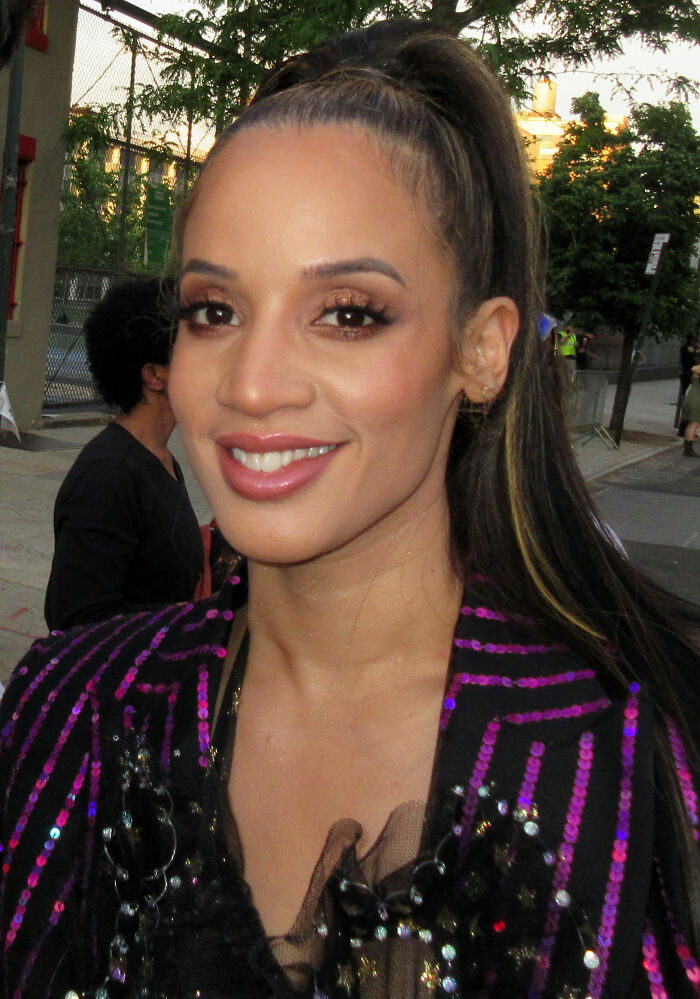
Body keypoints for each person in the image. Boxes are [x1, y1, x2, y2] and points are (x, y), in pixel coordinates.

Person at [2, 20, 699, 999]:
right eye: (214, 310)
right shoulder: (68, 706)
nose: (253, 384)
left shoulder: (644, 762)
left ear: (481, 351)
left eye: (347, 314)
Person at [44, 277, 204, 630]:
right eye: (194, 349)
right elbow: (76, 619)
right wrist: (192, 619)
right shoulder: (108, 475)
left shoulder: (160, 459)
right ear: (155, 375)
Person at [680, 359, 700, 457]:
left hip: (693, 396)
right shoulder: (697, 369)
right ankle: (688, 449)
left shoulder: (695, 368)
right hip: (697, 398)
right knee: (694, 423)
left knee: (693, 423)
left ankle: (688, 448)